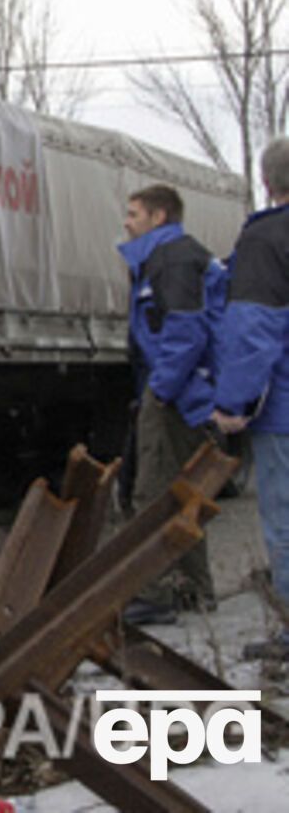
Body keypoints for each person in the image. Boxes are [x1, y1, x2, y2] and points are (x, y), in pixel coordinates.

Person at [118, 183, 224, 625]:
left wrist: (160, 390)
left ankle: (154, 593)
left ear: (159, 217)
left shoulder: (172, 259)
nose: (127, 222)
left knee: (153, 491)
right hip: (187, 391)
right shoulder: (169, 257)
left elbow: (185, 330)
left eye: (134, 214)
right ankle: (196, 590)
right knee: (185, 492)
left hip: (177, 392)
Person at [212, 137, 289, 660]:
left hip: (284, 412)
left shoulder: (266, 241)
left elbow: (253, 329)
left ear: (267, 181)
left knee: (284, 520)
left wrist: (233, 404)